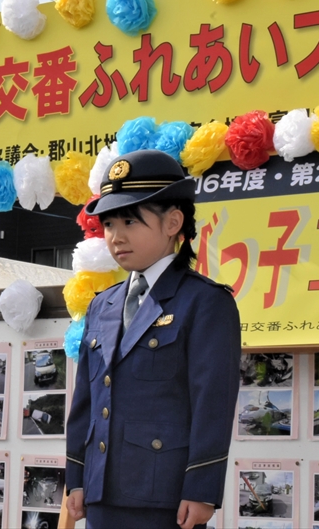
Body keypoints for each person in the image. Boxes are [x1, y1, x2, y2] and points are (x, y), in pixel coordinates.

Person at [64, 150, 241, 529]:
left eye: (130, 220)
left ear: (173, 222)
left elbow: (214, 402)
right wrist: (77, 476)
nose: (116, 236)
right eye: (109, 223)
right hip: (101, 492)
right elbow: (86, 401)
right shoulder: (102, 305)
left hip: (167, 494)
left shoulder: (205, 302)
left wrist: (202, 486)